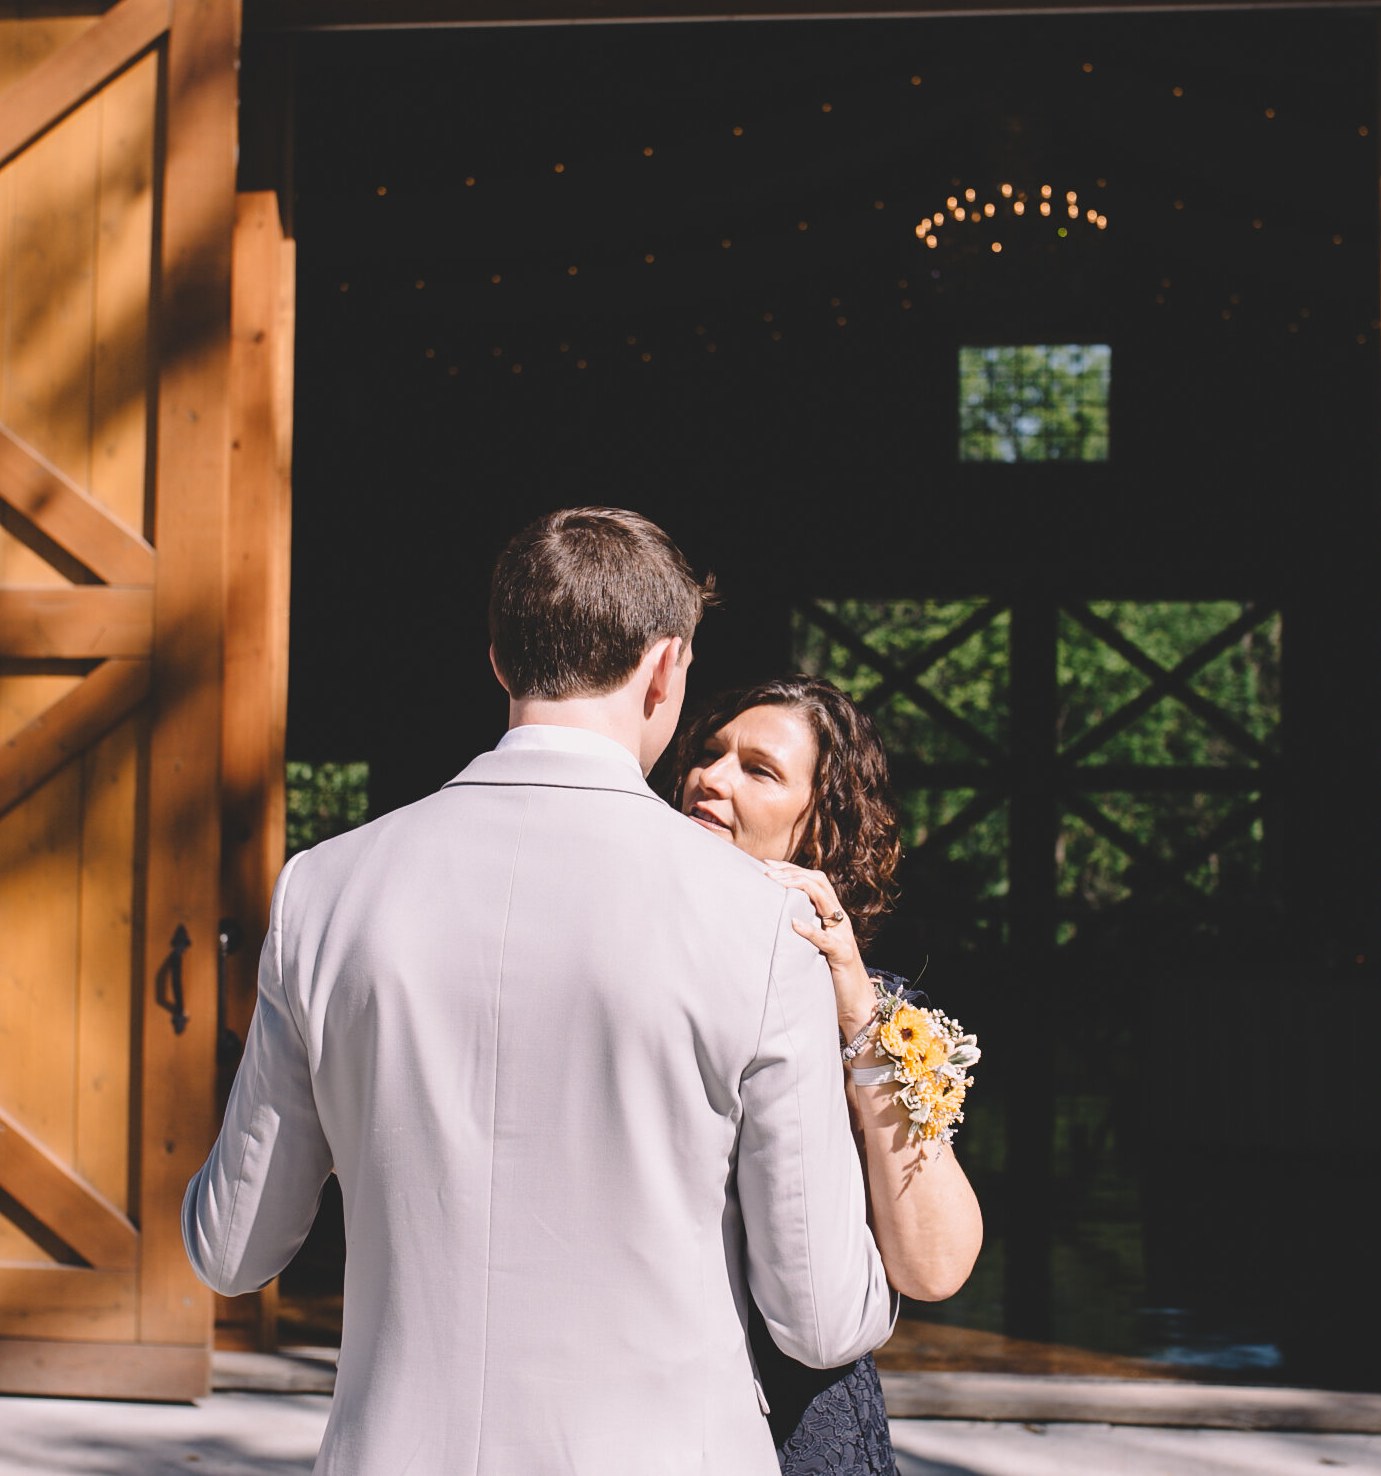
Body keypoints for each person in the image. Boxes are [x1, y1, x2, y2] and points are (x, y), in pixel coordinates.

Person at [183, 507, 895, 1476]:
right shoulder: (764, 924)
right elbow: (818, 1317)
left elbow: (233, 1249)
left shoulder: (325, 887)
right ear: (666, 668)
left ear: (499, 661)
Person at [674, 677, 985, 1476]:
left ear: (817, 832)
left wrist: (858, 1020)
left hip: (803, 1430)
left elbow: (934, 1266)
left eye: (758, 769)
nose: (711, 778)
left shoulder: (879, 1011)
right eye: (707, 756)